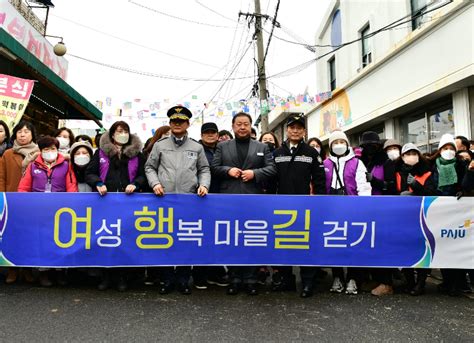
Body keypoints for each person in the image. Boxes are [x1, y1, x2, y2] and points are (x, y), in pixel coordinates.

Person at [145, 106, 210, 295]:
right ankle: (166, 279)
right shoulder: (160, 145)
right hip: (163, 200)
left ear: (188, 124)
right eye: (174, 121)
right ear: (170, 124)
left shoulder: (196, 147)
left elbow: (204, 169)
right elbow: (150, 167)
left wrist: (204, 185)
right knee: (165, 240)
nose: (177, 124)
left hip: (189, 200)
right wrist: (155, 183)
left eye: (181, 121)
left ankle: (183, 280)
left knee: (185, 240)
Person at [212, 112, 276, 296]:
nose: (242, 127)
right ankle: (234, 278)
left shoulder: (262, 146)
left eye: (246, 124)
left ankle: (251, 279)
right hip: (229, 200)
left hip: (253, 200)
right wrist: (228, 170)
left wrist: (255, 174)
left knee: (251, 240)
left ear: (250, 127)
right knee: (232, 240)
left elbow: (271, 169)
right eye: (238, 124)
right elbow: (214, 167)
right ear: (233, 126)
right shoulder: (222, 147)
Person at [85, 121, 147, 292]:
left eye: (125, 131)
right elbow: (89, 173)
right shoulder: (101, 153)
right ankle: (105, 276)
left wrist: (136, 184)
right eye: (119, 131)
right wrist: (97, 183)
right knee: (106, 240)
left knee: (125, 240)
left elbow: (144, 175)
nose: (122, 134)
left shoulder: (137, 155)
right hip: (105, 203)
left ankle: (122, 277)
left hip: (128, 204)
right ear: (112, 134)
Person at [273, 115, 326, 298]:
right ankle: (286, 281)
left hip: (306, 207)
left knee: (306, 244)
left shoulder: (311, 153)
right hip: (282, 207)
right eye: (292, 128)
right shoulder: (277, 153)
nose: (295, 131)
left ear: (304, 131)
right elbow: (272, 180)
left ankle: (307, 283)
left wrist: (318, 201)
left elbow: (319, 180)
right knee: (283, 244)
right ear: (287, 130)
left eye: (299, 128)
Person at [18, 136, 78, 286]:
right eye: (46, 149)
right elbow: (23, 188)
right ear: (40, 150)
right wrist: (25, 204)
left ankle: (59, 272)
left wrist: (71, 205)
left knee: (60, 240)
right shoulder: (33, 166)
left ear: (57, 150)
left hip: (61, 210)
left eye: (53, 149)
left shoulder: (66, 165)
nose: (50, 152)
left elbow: (72, 186)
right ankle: (43, 272)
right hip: (39, 210)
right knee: (42, 240)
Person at [324, 130, 372, 295]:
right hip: (331, 209)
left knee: (353, 242)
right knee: (334, 242)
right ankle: (337, 276)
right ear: (330, 146)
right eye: (335, 142)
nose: (339, 145)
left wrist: (363, 207)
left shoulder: (357, 163)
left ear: (347, 144)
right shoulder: (325, 163)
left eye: (341, 142)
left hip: (353, 209)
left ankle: (352, 278)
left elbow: (364, 187)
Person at [391, 143, 436, 295]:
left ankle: (420, 283)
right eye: (408, 153)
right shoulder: (396, 172)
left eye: (414, 153)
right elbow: (391, 191)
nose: (411, 156)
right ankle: (409, 281)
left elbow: (432, 193)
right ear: (402, 157)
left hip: (421, 216)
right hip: (401, 216)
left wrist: (416, 186)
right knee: (405, 249)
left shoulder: (427, 172)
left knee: (421, 248)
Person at [0, 121, 39, 284]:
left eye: (26, 131)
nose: (23, 134)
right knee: (12, 234)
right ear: (14, 134)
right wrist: (2, 197)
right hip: (11, 200)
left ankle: (28, 268)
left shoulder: (39, 153)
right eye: (19, 132)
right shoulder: (8, 154)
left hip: (32, 202)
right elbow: (1, 177)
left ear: (32, 135)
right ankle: (13, 269)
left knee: (30, 235)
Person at [431, 134, 469, 296]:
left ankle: (459, 284)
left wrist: (463, 190)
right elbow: (430, 185)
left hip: (457, 211)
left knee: (457, 247)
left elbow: (467, 182)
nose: (448, 151)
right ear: (439, 150)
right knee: (442, 247)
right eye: (445, 148)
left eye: (451, 148)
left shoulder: (461, 165)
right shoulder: (433, 166)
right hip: (438, 210)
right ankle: (447, 282)